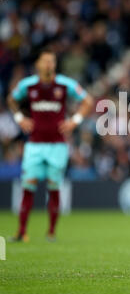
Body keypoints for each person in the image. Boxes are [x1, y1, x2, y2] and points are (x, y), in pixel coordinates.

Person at [7, 49, 93, 242]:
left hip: (57, 145)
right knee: (28, 187)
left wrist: (75, 120)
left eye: (51, 61)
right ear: (38, 64)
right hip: (34, 145)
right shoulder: (28, 85)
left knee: (53, 187)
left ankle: (51, 232)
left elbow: (87, 100)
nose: (48, 65)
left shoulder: (64, 84)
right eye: (45, 61)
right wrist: (20, 117)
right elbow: (11, 99)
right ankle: (22, 231)